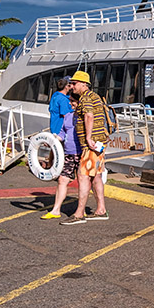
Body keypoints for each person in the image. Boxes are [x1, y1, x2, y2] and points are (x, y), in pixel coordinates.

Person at [61, 71, 109, 225]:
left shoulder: (86, 98)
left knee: (83, 176)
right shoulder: (94, 96)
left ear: (83, 84)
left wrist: (88, 138)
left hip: (92, 144)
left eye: (74, 83)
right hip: (99, 142)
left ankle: (79, 213)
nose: (71, 86)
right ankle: (101, 210)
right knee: (96, 176)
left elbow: (89, 116)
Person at [41, 77, 74, 220]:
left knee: (54, 152)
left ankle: (50, 166)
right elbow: (66, 114)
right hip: (62, 131)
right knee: (59, 154)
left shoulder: (55, 96)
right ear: (67, 87)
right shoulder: (64, 101)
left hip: (55, 128)